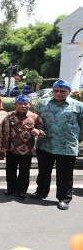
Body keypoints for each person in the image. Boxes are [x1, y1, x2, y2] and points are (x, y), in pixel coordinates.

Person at [31, 79, 83, 210]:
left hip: (66, 146)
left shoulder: (78, 106)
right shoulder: (42, 103)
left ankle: (64, 198)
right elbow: (35, 120)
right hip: (45, 144)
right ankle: (41, 192)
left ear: (69, 92)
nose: (59, 93)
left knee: (65, 174)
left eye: (62, 91)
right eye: (56, 91)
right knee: (43, 171)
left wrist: (77, 139)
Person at [1, 95, 44, 200]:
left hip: (26, 150)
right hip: (11, 149)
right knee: (10, 170)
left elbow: (43, 130)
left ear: (30, 104)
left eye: (25, 104)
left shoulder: (35, 117)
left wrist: (38, 131)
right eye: (20, 104)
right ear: (15, 105)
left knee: (24, 172)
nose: (23, 106)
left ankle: (21, 191)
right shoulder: (9, 115)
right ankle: (11, 188)